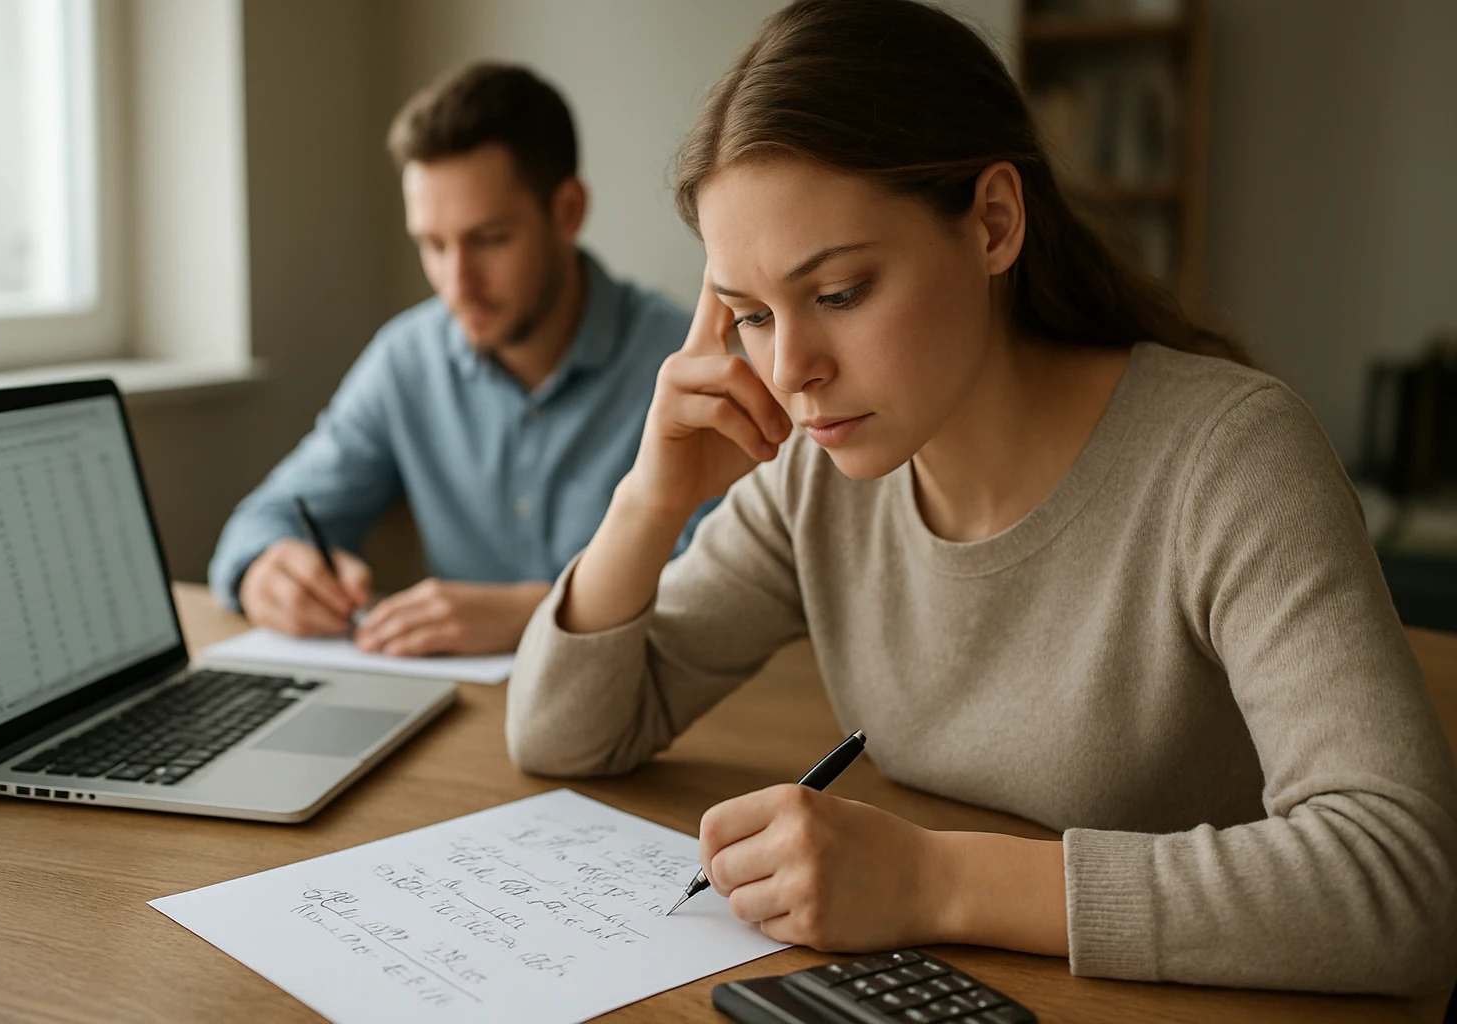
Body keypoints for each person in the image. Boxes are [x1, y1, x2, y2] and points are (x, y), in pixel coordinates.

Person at [504, 0, 1457, 997]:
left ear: (993, 222)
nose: (791, 369)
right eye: (748, 315)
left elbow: (1404, 881)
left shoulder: (1228, 458)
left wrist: (934, 878)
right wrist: (648, 501)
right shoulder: (817, 476)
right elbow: (565, 734)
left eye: (838, 294)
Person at [208, 63, 706, 656]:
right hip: (461, 717)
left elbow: (734, 590)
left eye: (490, 239)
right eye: (433, 245)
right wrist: (268, 570)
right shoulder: (407, 360)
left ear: (568, 211)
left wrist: (541, 612)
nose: (457, 284)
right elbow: (266, 518)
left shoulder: (688, 364)